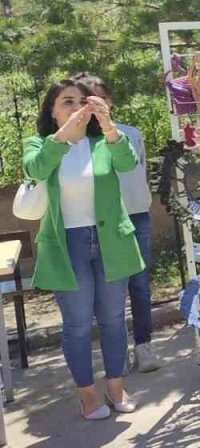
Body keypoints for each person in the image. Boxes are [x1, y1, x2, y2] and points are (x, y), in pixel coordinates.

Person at [24, 78, 144, 419]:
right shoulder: (40, 143)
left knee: (114, 320)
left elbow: (127, 162)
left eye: (82, 101)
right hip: (68, 244)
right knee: (77, 324)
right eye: (67, 101)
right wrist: (63, 137)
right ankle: (87, 394)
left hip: (110, 240)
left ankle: (116, 386)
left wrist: (107, 125)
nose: (76, 108)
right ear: (52, 110)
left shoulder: (103, 141)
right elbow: (36, 168)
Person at [71, 72, 161, 373]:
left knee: (139, 283)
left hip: (135, 216)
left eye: (101, 98)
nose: (95, 106)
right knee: (106, 290)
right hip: (99, 222)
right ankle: (115, 350)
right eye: (87, 100)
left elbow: (138, 172)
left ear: (109, 101)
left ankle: (144, 345)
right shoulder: (77, 142)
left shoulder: (130, 133)